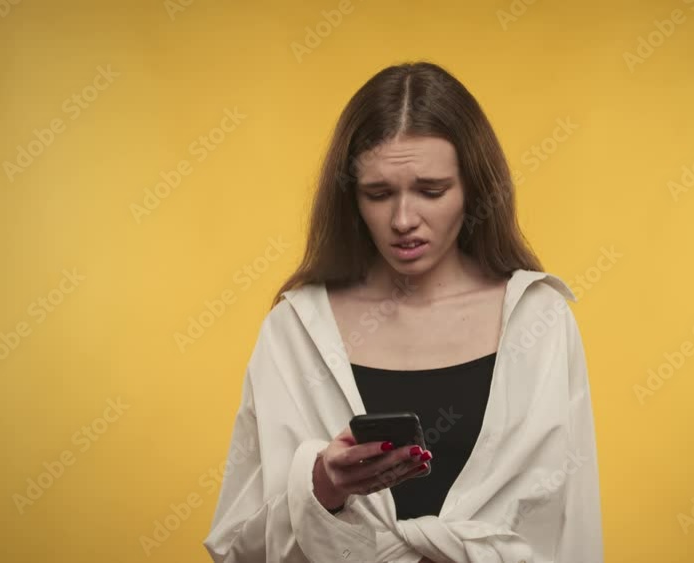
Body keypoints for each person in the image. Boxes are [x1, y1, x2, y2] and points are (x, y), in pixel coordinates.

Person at [202, 61, 603, 563]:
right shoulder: (295, 331)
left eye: (431, 191)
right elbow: (239, 546)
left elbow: (573, 525)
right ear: (350, 198)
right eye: (378, 194)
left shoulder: (539, 320)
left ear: (474, 189)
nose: (403, 219)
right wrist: (322, 485)